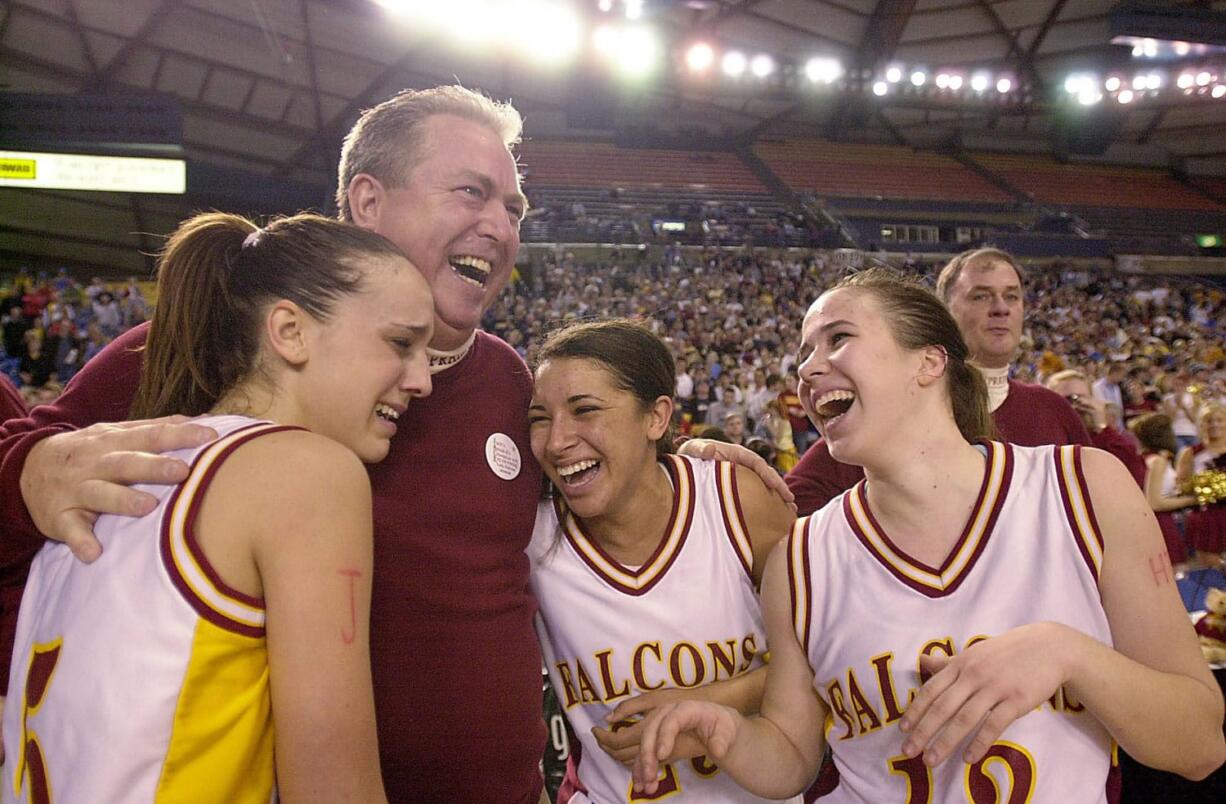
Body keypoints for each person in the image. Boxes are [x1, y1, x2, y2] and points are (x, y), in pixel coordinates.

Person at [0, 85, 788, 803]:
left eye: (515, 209)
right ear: (367, 201)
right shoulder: (210, 346)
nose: (500, 225)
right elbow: (36, 491)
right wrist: (27, 471)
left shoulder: (513, 382)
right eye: (471, 193)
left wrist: (690, 468)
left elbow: (591, 500)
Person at [632, 269, 1225, 801]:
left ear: (930, 361)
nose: (809, 369)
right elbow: (792, 757)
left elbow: (1199, 743)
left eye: (838, 339)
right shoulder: (801, 560)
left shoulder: (1082, 487)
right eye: (803, 355)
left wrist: (1067, 653)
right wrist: (728, 734)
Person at [3, 212, 435, 802]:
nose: (422, 381)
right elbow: (335, 788)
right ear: (290, 331)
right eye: (400, 343)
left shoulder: (110, 471)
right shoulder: (307, 472)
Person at [527, 319, 795, 803]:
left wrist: (714, 704)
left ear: (656, 417)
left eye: (584, 410)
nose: (556, 440)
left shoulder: (738, 502)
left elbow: (831, 654)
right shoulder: (528, 533)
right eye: (539, 418)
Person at [787, 247, 1091, 515]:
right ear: (943, 311)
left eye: (1012, 296)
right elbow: (781, 525)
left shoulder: (1055, 413)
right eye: (981, 296)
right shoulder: (871, 426)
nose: (1001, 308)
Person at [1046, 368, 1147, 488]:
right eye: (1068, 399)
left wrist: (1102, 427)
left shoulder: (1100, 437)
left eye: (1082, 397)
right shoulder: (1043, 436)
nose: (1076, 404)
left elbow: (1134, 474)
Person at [1129, 412, 1195, 566]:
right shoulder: (1158, 461)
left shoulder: (1148, 458)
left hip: (1157, 522)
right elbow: (1154, 502)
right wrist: (1192, 500)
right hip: (1161, 524)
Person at [1178, 402, 1226, 562]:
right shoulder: (1191, 453)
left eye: (1219, 420)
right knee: (1212, 569)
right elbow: (1181, 485)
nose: (1214, 424)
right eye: (1209, 420)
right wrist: (1205, 487)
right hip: (1207, 517)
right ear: (1201, 424)